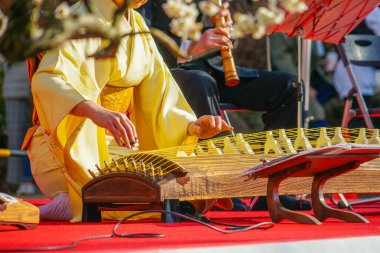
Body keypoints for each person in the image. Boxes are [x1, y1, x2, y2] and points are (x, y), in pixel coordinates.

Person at [24, 0, 232, 222]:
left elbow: (161, 93)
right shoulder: (80, 20)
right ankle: (72, 199)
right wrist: (95, 111)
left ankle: (72, 202)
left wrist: (192, 127)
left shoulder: (138, 23)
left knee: (188, 177)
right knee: (154, 182)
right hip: (68, 145)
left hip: (117, 144)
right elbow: (47, 80)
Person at [137, 0, 311, 211]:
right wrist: (189, 48)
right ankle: (223, 190)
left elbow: (216, 41)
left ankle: (274, 190)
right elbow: (138, 39)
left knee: (289, 85)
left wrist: (226, 31)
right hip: (170, 75)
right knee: (201, 81)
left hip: (214, 71)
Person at [2, 61, 36, 195]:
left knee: (39, 136)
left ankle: (32, 181)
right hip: (17, 87)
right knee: (17, 139)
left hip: (45, 85)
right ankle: (19, 182)